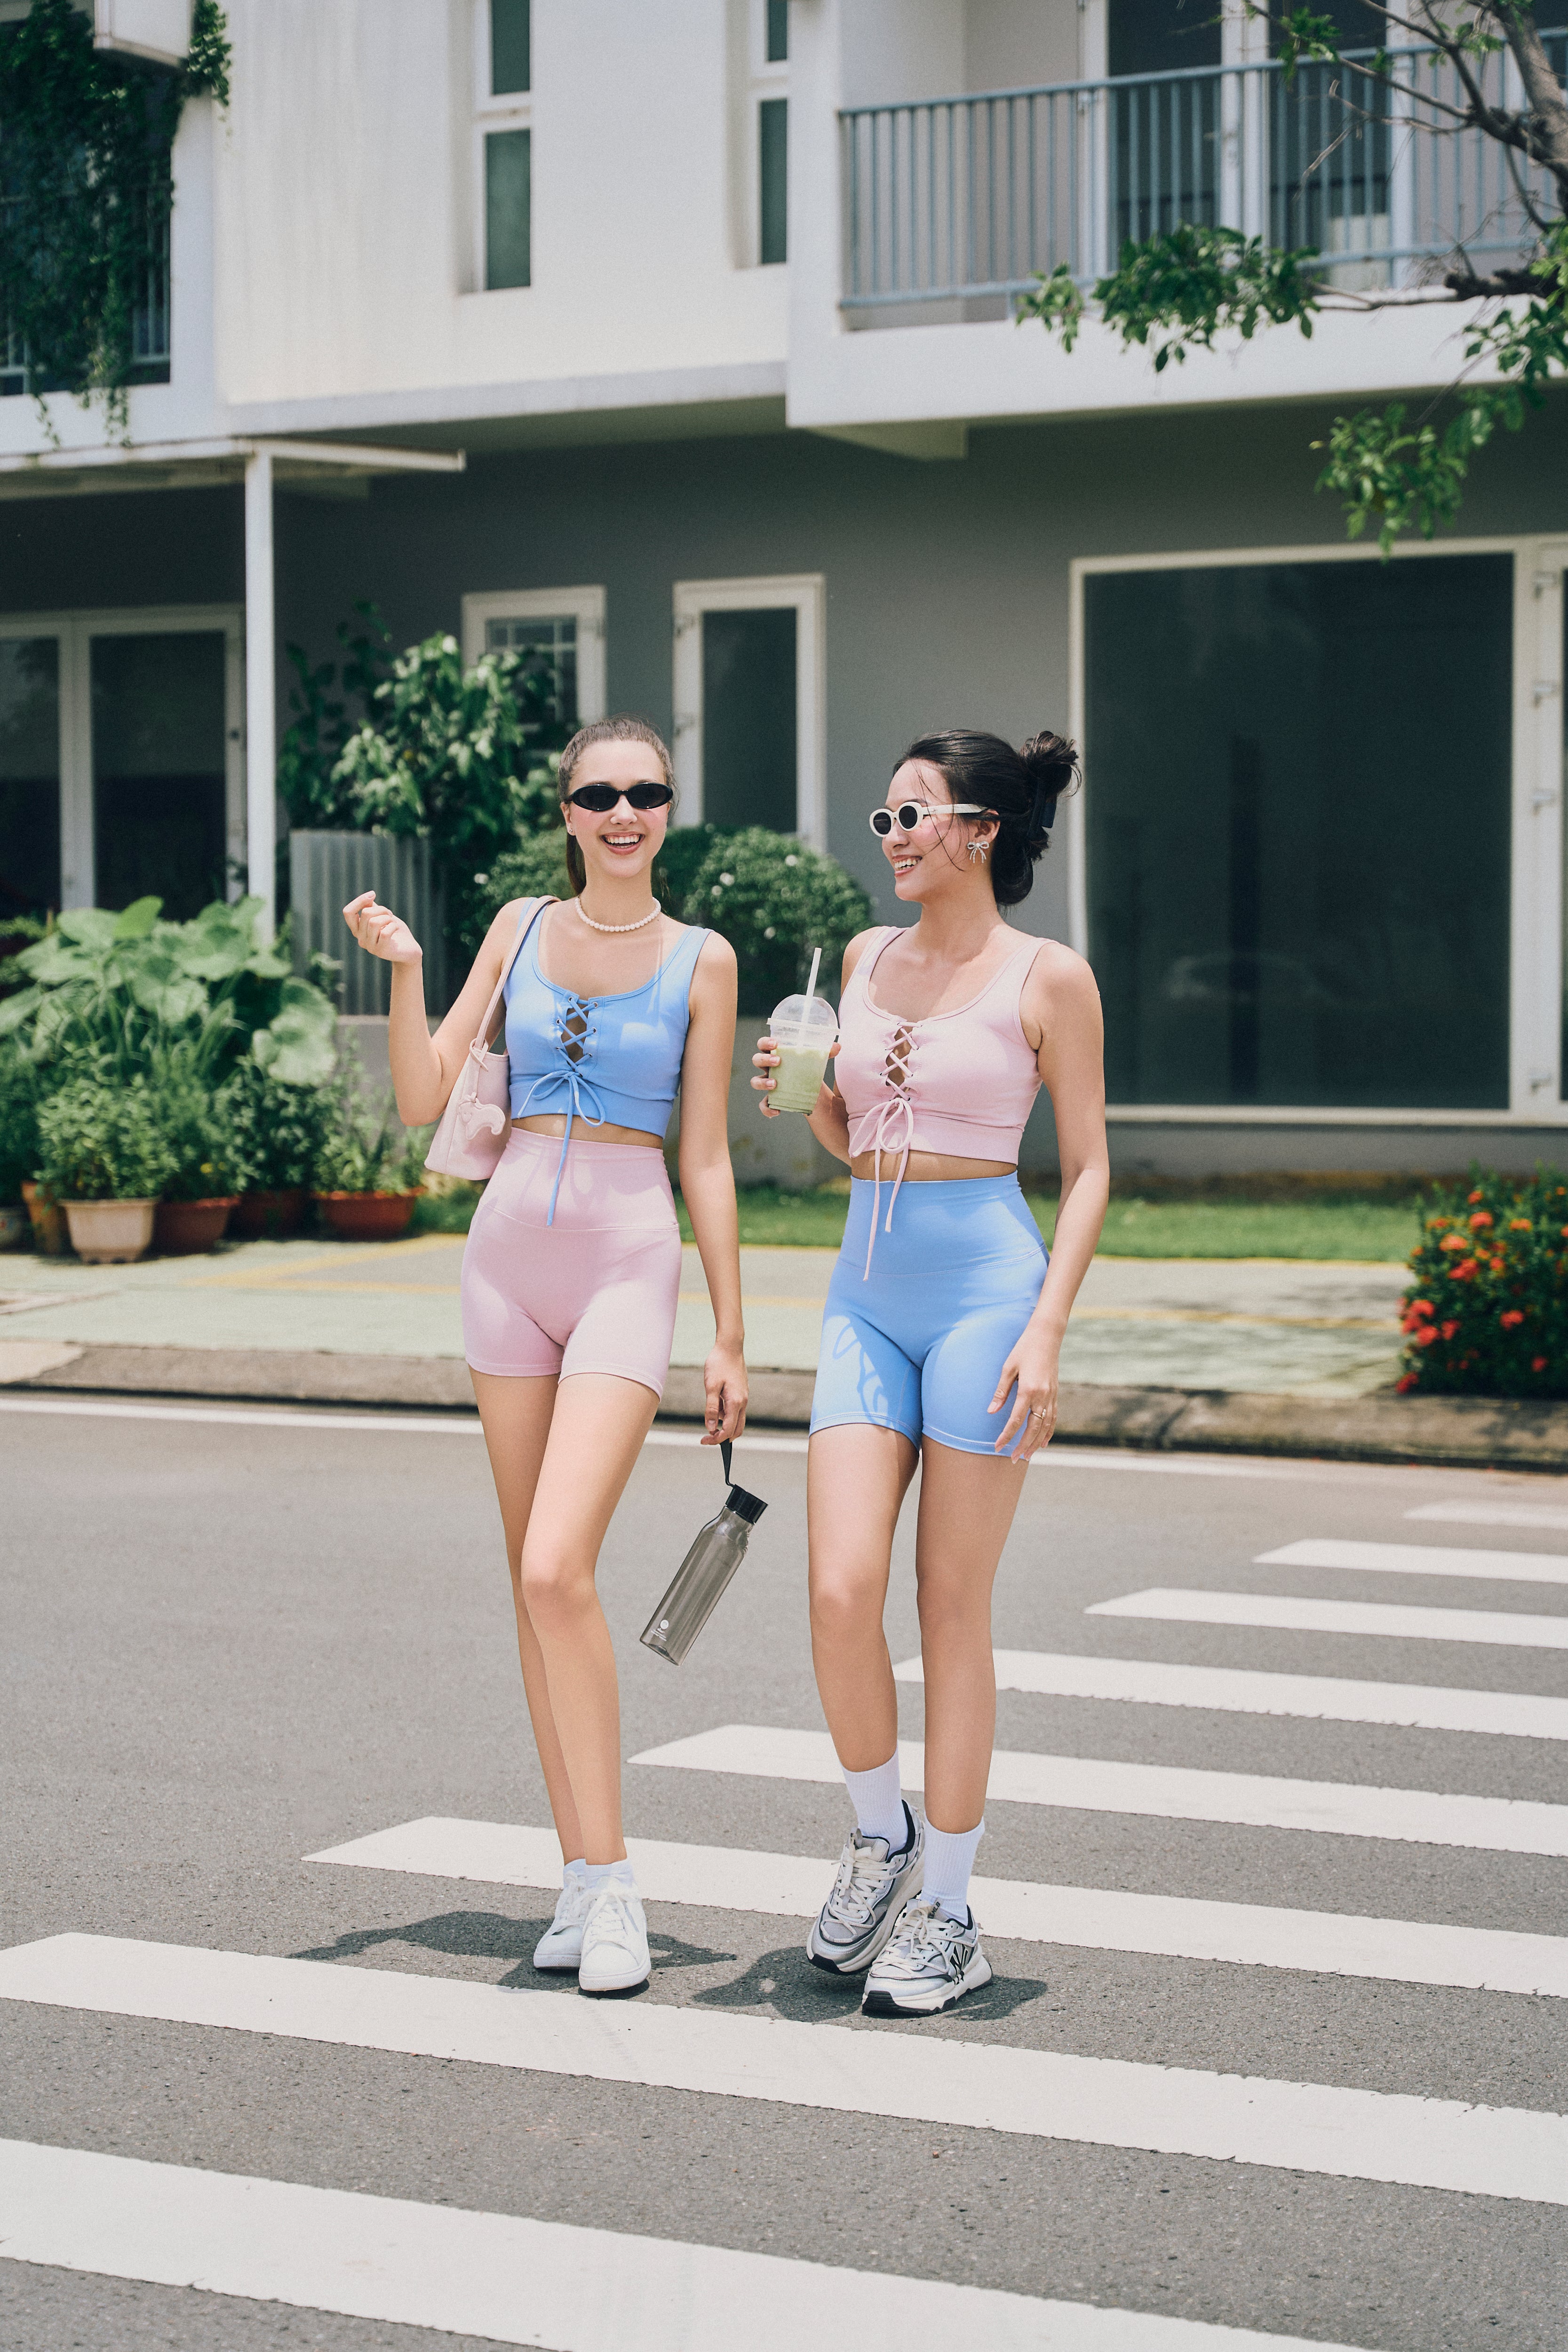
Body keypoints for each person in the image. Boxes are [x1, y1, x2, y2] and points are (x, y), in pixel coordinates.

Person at [344, 714, 747, 1999]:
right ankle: (578, 1879)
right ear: (566, 810)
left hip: (631, 1263)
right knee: (532, 1582)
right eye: (599, 793)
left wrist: (733, 1330)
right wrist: (407, 972)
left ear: (670, 806)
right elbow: (422, 1098)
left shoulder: (705, 957)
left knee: (558, 1563)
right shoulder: (518, 928)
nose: (624, 811)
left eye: (647, 792)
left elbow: (707, 1157)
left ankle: (617, 1882)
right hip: (504, 1264)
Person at [754, 729, 1107, 2017]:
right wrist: (808, 1103)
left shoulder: (1047, 978)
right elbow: (856, 1144)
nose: (892, 837)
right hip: (866, 1293)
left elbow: (1092, 1169)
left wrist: (1047, 1330)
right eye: (886, 815)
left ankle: (952, 1915)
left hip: (984, 1298)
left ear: (981, 830)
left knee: (949, 1606)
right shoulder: (860, 961)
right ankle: (879, 1837)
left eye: (913, 816)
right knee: (843, 1592)